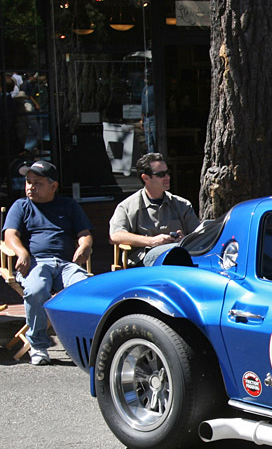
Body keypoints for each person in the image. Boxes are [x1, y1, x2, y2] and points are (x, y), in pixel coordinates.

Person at [2, 160, 92, 365]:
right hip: (35, 263)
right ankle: (39, 346)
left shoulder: (68, 205)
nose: (30, 187)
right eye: (28, 182)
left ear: (53, 186)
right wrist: (21, 252)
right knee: (36, 290)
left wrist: (85, 246)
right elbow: (10, 235)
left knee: (84, 288)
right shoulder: (21, 206)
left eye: (37, 182)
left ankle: (79, 343)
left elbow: (84, 234)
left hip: (66, 264)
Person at [109, 152, 200, 268]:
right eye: (161, 174)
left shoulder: (182, 204)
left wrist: (184, 239)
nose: (167, 177)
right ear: (145, 178)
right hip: (145, 262)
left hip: (179, 257)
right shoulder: (128, 206)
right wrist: (151, 241)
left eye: (168, 172)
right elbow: (115, 236)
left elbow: (199, 236)